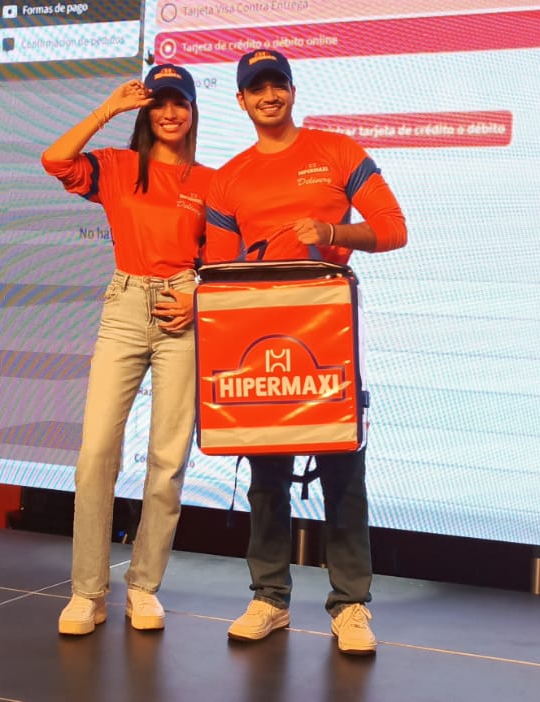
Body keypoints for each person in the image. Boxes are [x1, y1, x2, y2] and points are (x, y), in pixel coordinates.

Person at [203, 49, 408, 654]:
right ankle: (269, 598)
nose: (269, 95)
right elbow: (219, 270)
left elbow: (394, 228)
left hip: (326, 329)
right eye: (256, 88)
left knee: (343, 468)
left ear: (292, 91)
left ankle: (351, 605)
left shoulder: (337, 152)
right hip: (258, 333)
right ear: (241, 100)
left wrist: (333, 233)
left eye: (278, 84)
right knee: (266, 472)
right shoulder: (228, 178)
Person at [40, 64, 212, 635]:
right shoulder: (117, 166)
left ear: (193, 111)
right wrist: (108, 109)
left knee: (167, 460)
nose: (170, 113)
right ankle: (87, 592)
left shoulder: (209, 182)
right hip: (125, 303)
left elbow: (222, 257)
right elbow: (54, 159)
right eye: (159, 102)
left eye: (179, 102)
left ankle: (143, 587)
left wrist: (198, 295)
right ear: (145, 111)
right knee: (95, 455)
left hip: (183, 309)